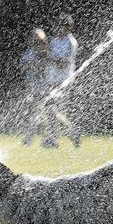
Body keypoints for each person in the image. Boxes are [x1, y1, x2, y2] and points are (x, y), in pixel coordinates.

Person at [41, 13, 80, 148]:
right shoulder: (53, 41)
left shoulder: (71, 42)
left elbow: (65, 62)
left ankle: (60, 135)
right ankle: (58, 136)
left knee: (51, 109)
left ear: (68, 28)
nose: (58, 29)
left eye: (61, 27)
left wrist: (53, 59)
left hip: (63, 82)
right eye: (57, 26)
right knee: (51, 110)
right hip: (51, 80)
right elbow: (47, 56)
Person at [19, 28, 49, 146]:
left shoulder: (46, 53)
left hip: (43, 89)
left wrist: (40, 66)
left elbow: (48, 70)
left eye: (39, 41)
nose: (37, 43)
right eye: (34, 40)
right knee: (33, 114)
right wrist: (30, 65)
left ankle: (43, 138)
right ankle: (32, 137)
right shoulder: (28, 54)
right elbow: (21, 70)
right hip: (31, 88)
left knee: (40, 114)